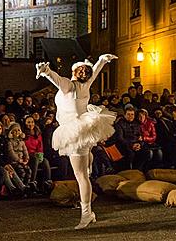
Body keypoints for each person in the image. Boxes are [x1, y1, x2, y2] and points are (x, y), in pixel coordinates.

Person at [36, 53, 117, 229]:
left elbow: (56, 79)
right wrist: (102, 60)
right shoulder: (86, 84)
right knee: (85, 161)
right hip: (85, 127)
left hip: (75, 131)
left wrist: (46, 71)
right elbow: (94, 72)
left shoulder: (69, 85)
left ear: (74, 71)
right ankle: (88, 162)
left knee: (81, 176)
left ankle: (87, 213)